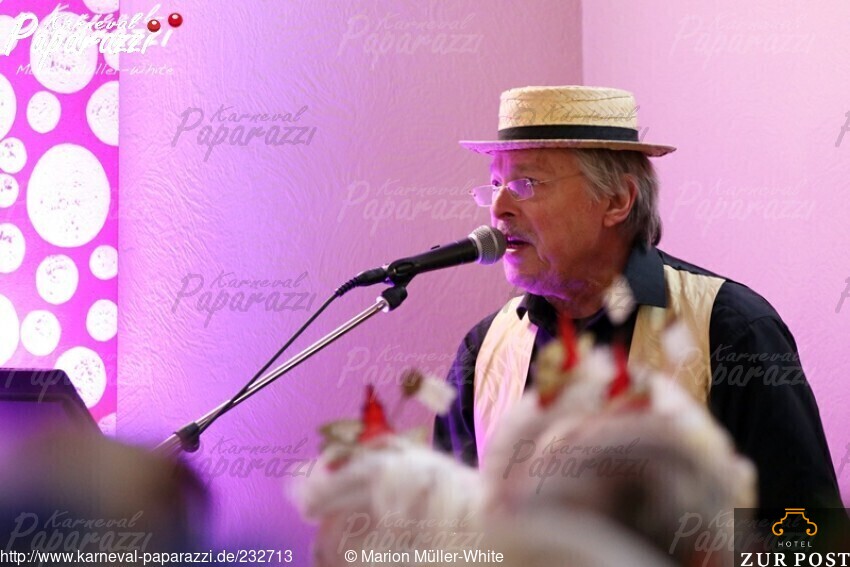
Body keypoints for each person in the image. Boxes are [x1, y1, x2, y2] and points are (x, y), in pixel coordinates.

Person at [433, 85, 843, 516]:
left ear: (616, 200)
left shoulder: (731, 330)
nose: (499, 208)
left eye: (526, 184)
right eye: (495, 184)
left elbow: (806, 534)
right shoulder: (484, 348)